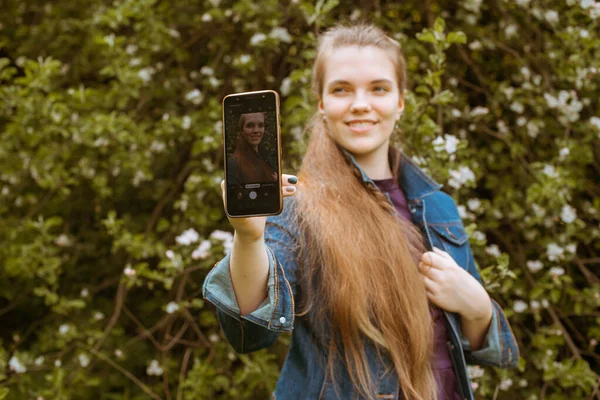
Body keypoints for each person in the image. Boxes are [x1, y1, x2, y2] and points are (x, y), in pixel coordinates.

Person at [204, 23, 519, 400]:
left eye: (378, 88)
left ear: (400, 101)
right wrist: (249, 237)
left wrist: (479, 307)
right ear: (321, 103)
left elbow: (483, 349)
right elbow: (251, 333)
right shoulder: (297, 206)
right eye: (341, 89)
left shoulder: (438, 206)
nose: (359, 104)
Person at [227, 112, 278, 185]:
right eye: (250, 126)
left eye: (260, 125)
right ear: (242, 131)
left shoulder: (267, 158)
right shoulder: (234, 163)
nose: (256, 130)